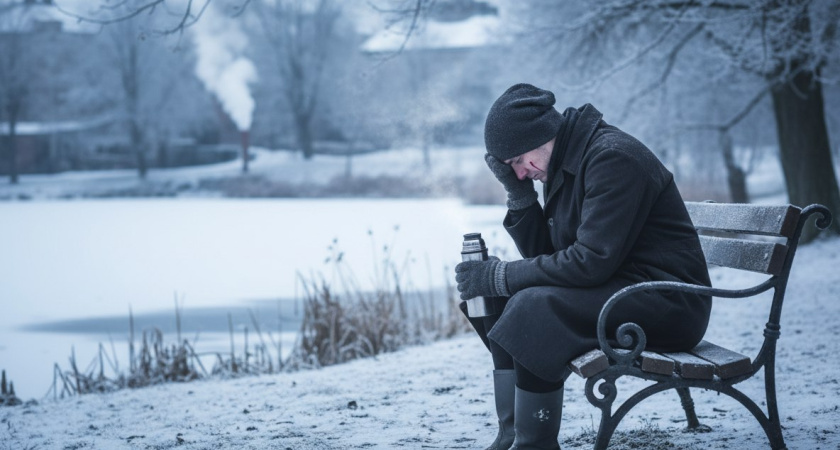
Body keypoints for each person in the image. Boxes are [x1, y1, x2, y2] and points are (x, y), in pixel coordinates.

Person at [455, 83, 713, 450]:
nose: (520, 173)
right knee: (497, 298)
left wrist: (503, 275)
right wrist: (520, 197)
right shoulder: (567, 164)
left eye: (517, 162)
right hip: (624, 289)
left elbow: (588, 263)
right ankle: (511, 433)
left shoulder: (613, 158)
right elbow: (549, 255)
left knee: (531, 306)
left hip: (668, 301)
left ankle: (535, 443)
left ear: (541, 135)